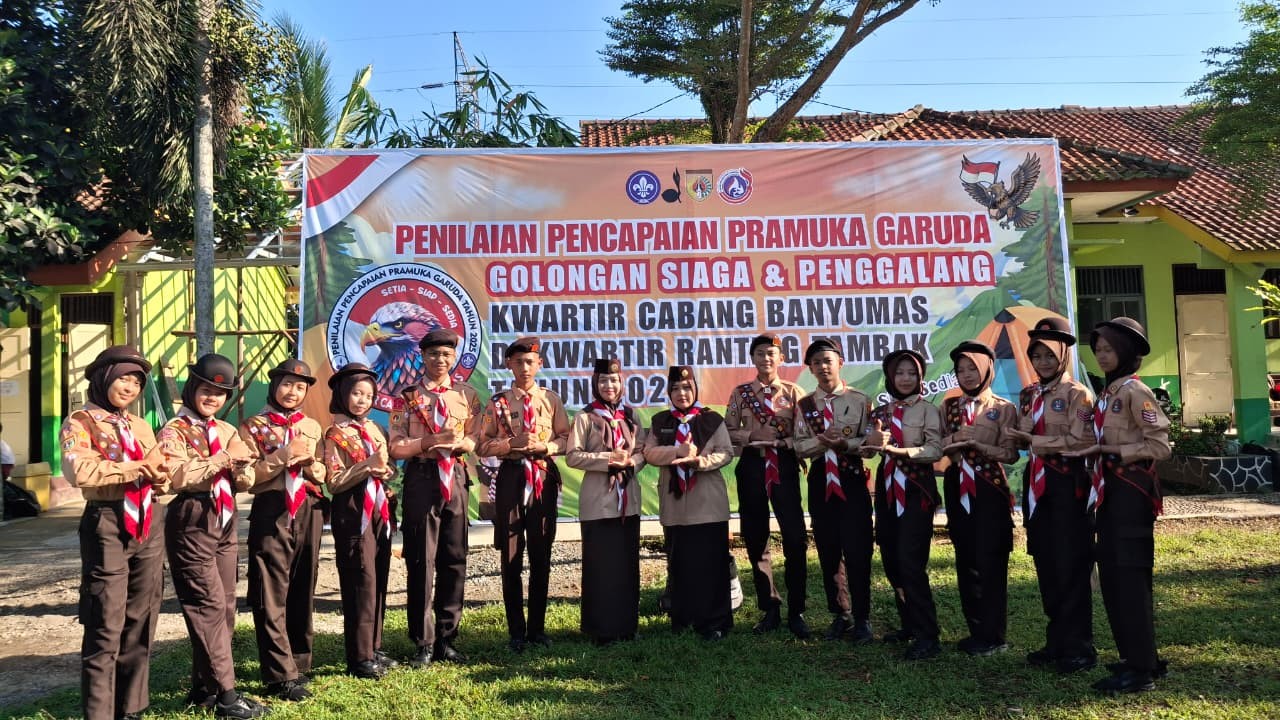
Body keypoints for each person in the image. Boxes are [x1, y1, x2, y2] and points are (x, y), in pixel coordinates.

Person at [60, 345, 169, 720]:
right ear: (104, 377)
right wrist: (137, 467)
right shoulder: (81, 422)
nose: (131, 388)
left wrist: (161, 474)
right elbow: (79, 471)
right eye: (124, 378)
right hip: (107, 522)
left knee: (141, 618)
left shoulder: (140, 425)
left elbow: (160, 470)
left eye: (137, 382)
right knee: (105, 621)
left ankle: (131, 708)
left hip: (148, 519)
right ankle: (99, 713)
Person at [1068, 317, 1171, 694]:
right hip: (1110, 493)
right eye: (1097, 349)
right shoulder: (1109, 392)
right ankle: (1137, 656)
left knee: (1128, 577)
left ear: (1126, 351)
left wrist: (1110, 449)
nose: (1101, 356)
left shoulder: (1134, 392)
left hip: (1130, 493)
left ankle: (1141, 670)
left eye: (1109, 349)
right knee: (1113, 576)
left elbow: (1160, 445)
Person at [157, 354, 263, 718]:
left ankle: (204, 688)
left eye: (220, 393)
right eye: (206, 390)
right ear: (192, 388)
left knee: (226, 606)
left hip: (225, 515)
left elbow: (246, 481)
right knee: (207, 606)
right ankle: (227, 697)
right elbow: (175, 477)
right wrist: (221, 459)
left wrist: (243, 467)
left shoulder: (228, 430)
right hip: (192, 516)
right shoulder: (174, 430)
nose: (212, 398)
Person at [1006, 316, 1099, 675]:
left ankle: (1080, 648)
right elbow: (1023, 439)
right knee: (1046, 564)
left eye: (1049, 355)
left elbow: (1082, 440)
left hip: (1068, 486)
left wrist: (1035, 440)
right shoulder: (1029, 394)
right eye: (1036, 355)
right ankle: (1057, 641)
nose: (1042, 362)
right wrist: (1015, 436)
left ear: (1063, 354)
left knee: (1072, 566)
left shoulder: (1078, 394)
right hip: (1037, 487)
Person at [389, 328, 481, 667]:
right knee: (420, 559)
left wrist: (464, 443)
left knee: (455, 557)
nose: (439, 360)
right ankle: (423, 641)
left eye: (445, 354)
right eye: (433, 354)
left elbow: (476, 436)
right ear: (422, 357)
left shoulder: (467, 395)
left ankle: (446, 638)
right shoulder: (407, 396)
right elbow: (395, 445)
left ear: (453, 357)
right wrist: (426, 443)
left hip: (454, 476)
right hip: (422, 477)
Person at [238, 358, 325, 701]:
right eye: (287, 384)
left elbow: (324, 472)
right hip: (272, 508)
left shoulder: (312, 426)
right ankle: (279, 675)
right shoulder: (253, 426)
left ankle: (300, 663)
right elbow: (246, 478)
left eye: (300, 387)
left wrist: (312, 464)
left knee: (303, 585)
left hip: (308, 507)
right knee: (270, 592)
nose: (293, 392)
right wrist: (282, 456)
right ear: (274, 386)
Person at [476, 336, 571, 653]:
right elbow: (482, 445)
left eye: (530, 362)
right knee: (511, 554)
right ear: (509, 365)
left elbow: (566, 438)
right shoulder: (499, 403)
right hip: (512, 477)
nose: (524, 367)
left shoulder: (551, 400)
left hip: (542, 475)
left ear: (539, 364)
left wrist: (546, 446)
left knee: (542, 552)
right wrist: (509, 445)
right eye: (518, 362)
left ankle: (537, 629)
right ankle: (516, 631)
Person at [723, 333, 810, 638]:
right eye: (760, 353)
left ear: (781, 358)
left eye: (771, 353)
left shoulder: (794, 392)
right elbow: (728, 430)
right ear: (753, 358)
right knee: (755, 536)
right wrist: (752, 437)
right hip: (752, 466)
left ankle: (797, 610)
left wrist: (784, 442)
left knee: (795, 537)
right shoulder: (741, 393)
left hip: (783, 465)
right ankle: (769, 606)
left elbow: (805, 433)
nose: (766, 358)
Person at [792, 338, 876, 644]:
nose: (823, 367)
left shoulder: (860, 400)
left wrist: (844, 444)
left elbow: (869, 445)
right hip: (820, 481)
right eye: (816, 363)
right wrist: (821, 442)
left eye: (828, 361)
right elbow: (799, 446)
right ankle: (841, 613)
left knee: (858, 549)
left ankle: (863, 617)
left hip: (851, 477)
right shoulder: (804, 406)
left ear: (840, 363)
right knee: (828, 550)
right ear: (810, 369)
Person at [863, 349, 945, 660]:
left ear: (921, 376)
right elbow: (867, 448)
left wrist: (900, 451)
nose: (906, 378)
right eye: (899, 373)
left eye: (912, 373)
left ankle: (928, 636)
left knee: (911, 562)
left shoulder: (927, 410)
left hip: (916, 491)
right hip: (886, 491)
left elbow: (935, 449)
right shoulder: (880, 413)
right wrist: (865, 443)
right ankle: (909, 624)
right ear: (890, 377)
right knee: (891, 558)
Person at [939, 341, 1020, 657]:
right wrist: (955, 440)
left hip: (989, 486)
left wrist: (981, 446)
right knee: (966, 557)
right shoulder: (949, 406)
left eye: (973, 368)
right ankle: (976, 631)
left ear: (987, 369)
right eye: (960, 369)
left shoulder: (1002, 408)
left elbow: (1011, 454)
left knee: (991, 560)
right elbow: (937, 443)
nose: (967, 374)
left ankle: (995, 635)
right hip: (957, 483)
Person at [643, 365, 734, 640]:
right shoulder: (661, 421)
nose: (681, 394)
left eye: (686, 388)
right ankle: (682, 619)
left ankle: (715, 622)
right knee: (680, 563)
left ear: (695, 389)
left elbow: (726, 453)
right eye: (675, 389)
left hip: (708, 504)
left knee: (712, 563)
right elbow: (649, 453)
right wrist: (677, 451)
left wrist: (700, 462)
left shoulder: (712, 419)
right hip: (675, 504)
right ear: (668, 393)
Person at [321, 362, 397, 679]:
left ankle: (374, 647)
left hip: (379, 508)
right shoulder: (335, 434)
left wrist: (385, 473)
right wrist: (367, 465)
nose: (362, 400)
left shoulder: (375, 429)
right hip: (353, 512)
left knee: (378, 576)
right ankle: (359, 656)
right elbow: (334, 481)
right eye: (356, 393)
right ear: (342, 394)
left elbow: (386, 466)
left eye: (368, 395)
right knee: (359, 580)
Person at [567, 358, 645, 645]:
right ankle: (600, 629)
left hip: (628, 500)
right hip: (598, 502)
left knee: (626, 564)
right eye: (603, 381)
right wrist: (608, 459)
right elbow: (573, 455)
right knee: (600, 566)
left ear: (621, 383)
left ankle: (626, 625)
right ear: (595, 384)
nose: (608, 385)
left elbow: (643, 450)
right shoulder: (585, 417)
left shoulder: (631, 415)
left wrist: (632, 462)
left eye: (613, 380)